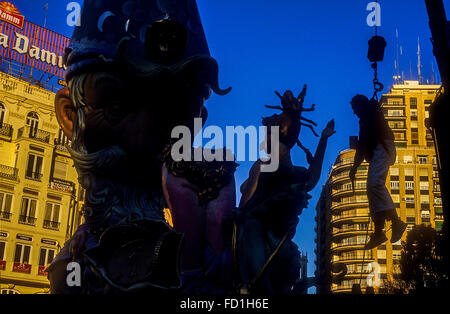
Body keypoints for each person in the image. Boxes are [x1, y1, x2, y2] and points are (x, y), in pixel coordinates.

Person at [349, 95, 407, 250]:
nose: (354, 113)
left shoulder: (370, 113)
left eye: (355, 109)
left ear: (361, 105)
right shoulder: (366, 117)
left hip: (383, 149)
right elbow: (362, 146)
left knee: (375, 184)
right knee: (371, 190)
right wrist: (355, 166)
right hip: (378, 152)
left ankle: (396, 222)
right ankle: (378, 232)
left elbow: (362, 145)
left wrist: (354, 167)